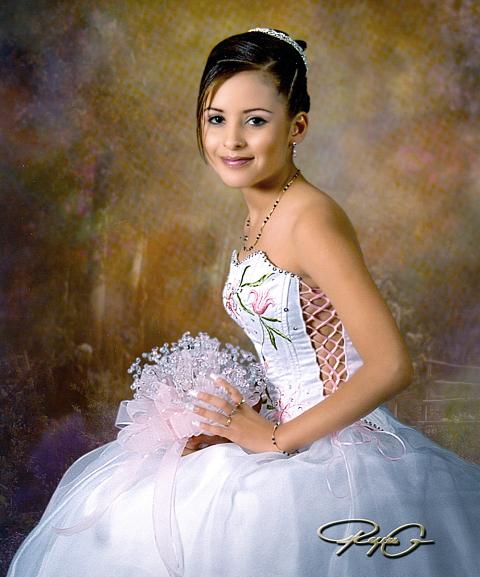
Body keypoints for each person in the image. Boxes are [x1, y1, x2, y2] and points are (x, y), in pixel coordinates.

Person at [6, 27, 480, 577]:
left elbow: (392, 365)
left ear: (296, 125)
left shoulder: (310, 218)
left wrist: (275, 437)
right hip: (287, 428)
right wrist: (238, 423)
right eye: (215, 118)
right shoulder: (262, 208)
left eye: (255, 120)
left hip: (340, 450)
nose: (231, 140)